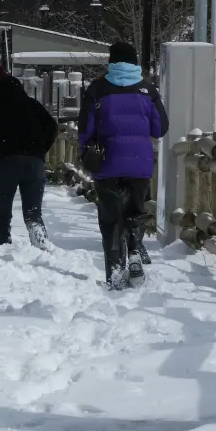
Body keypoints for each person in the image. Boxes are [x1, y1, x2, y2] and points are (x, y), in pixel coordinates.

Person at [78, 42, 169, 290]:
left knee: (111, 219)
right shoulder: (147, 89)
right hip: (139, 164)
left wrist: (85, 153)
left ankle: (116, 274)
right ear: (135, 62)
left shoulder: (97, 88)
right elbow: (160, 127)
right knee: (134, 213)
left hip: (107, 163)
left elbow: (85, 128)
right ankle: (135, 253)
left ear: (112, 61)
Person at [0, 63, 58, 249]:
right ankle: (41, 245)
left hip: (5, 163)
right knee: (33, 214)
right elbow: (51, 126)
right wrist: (39, 151)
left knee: (2, 213)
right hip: (34, 163)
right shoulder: (29, 102)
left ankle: (3, 251)